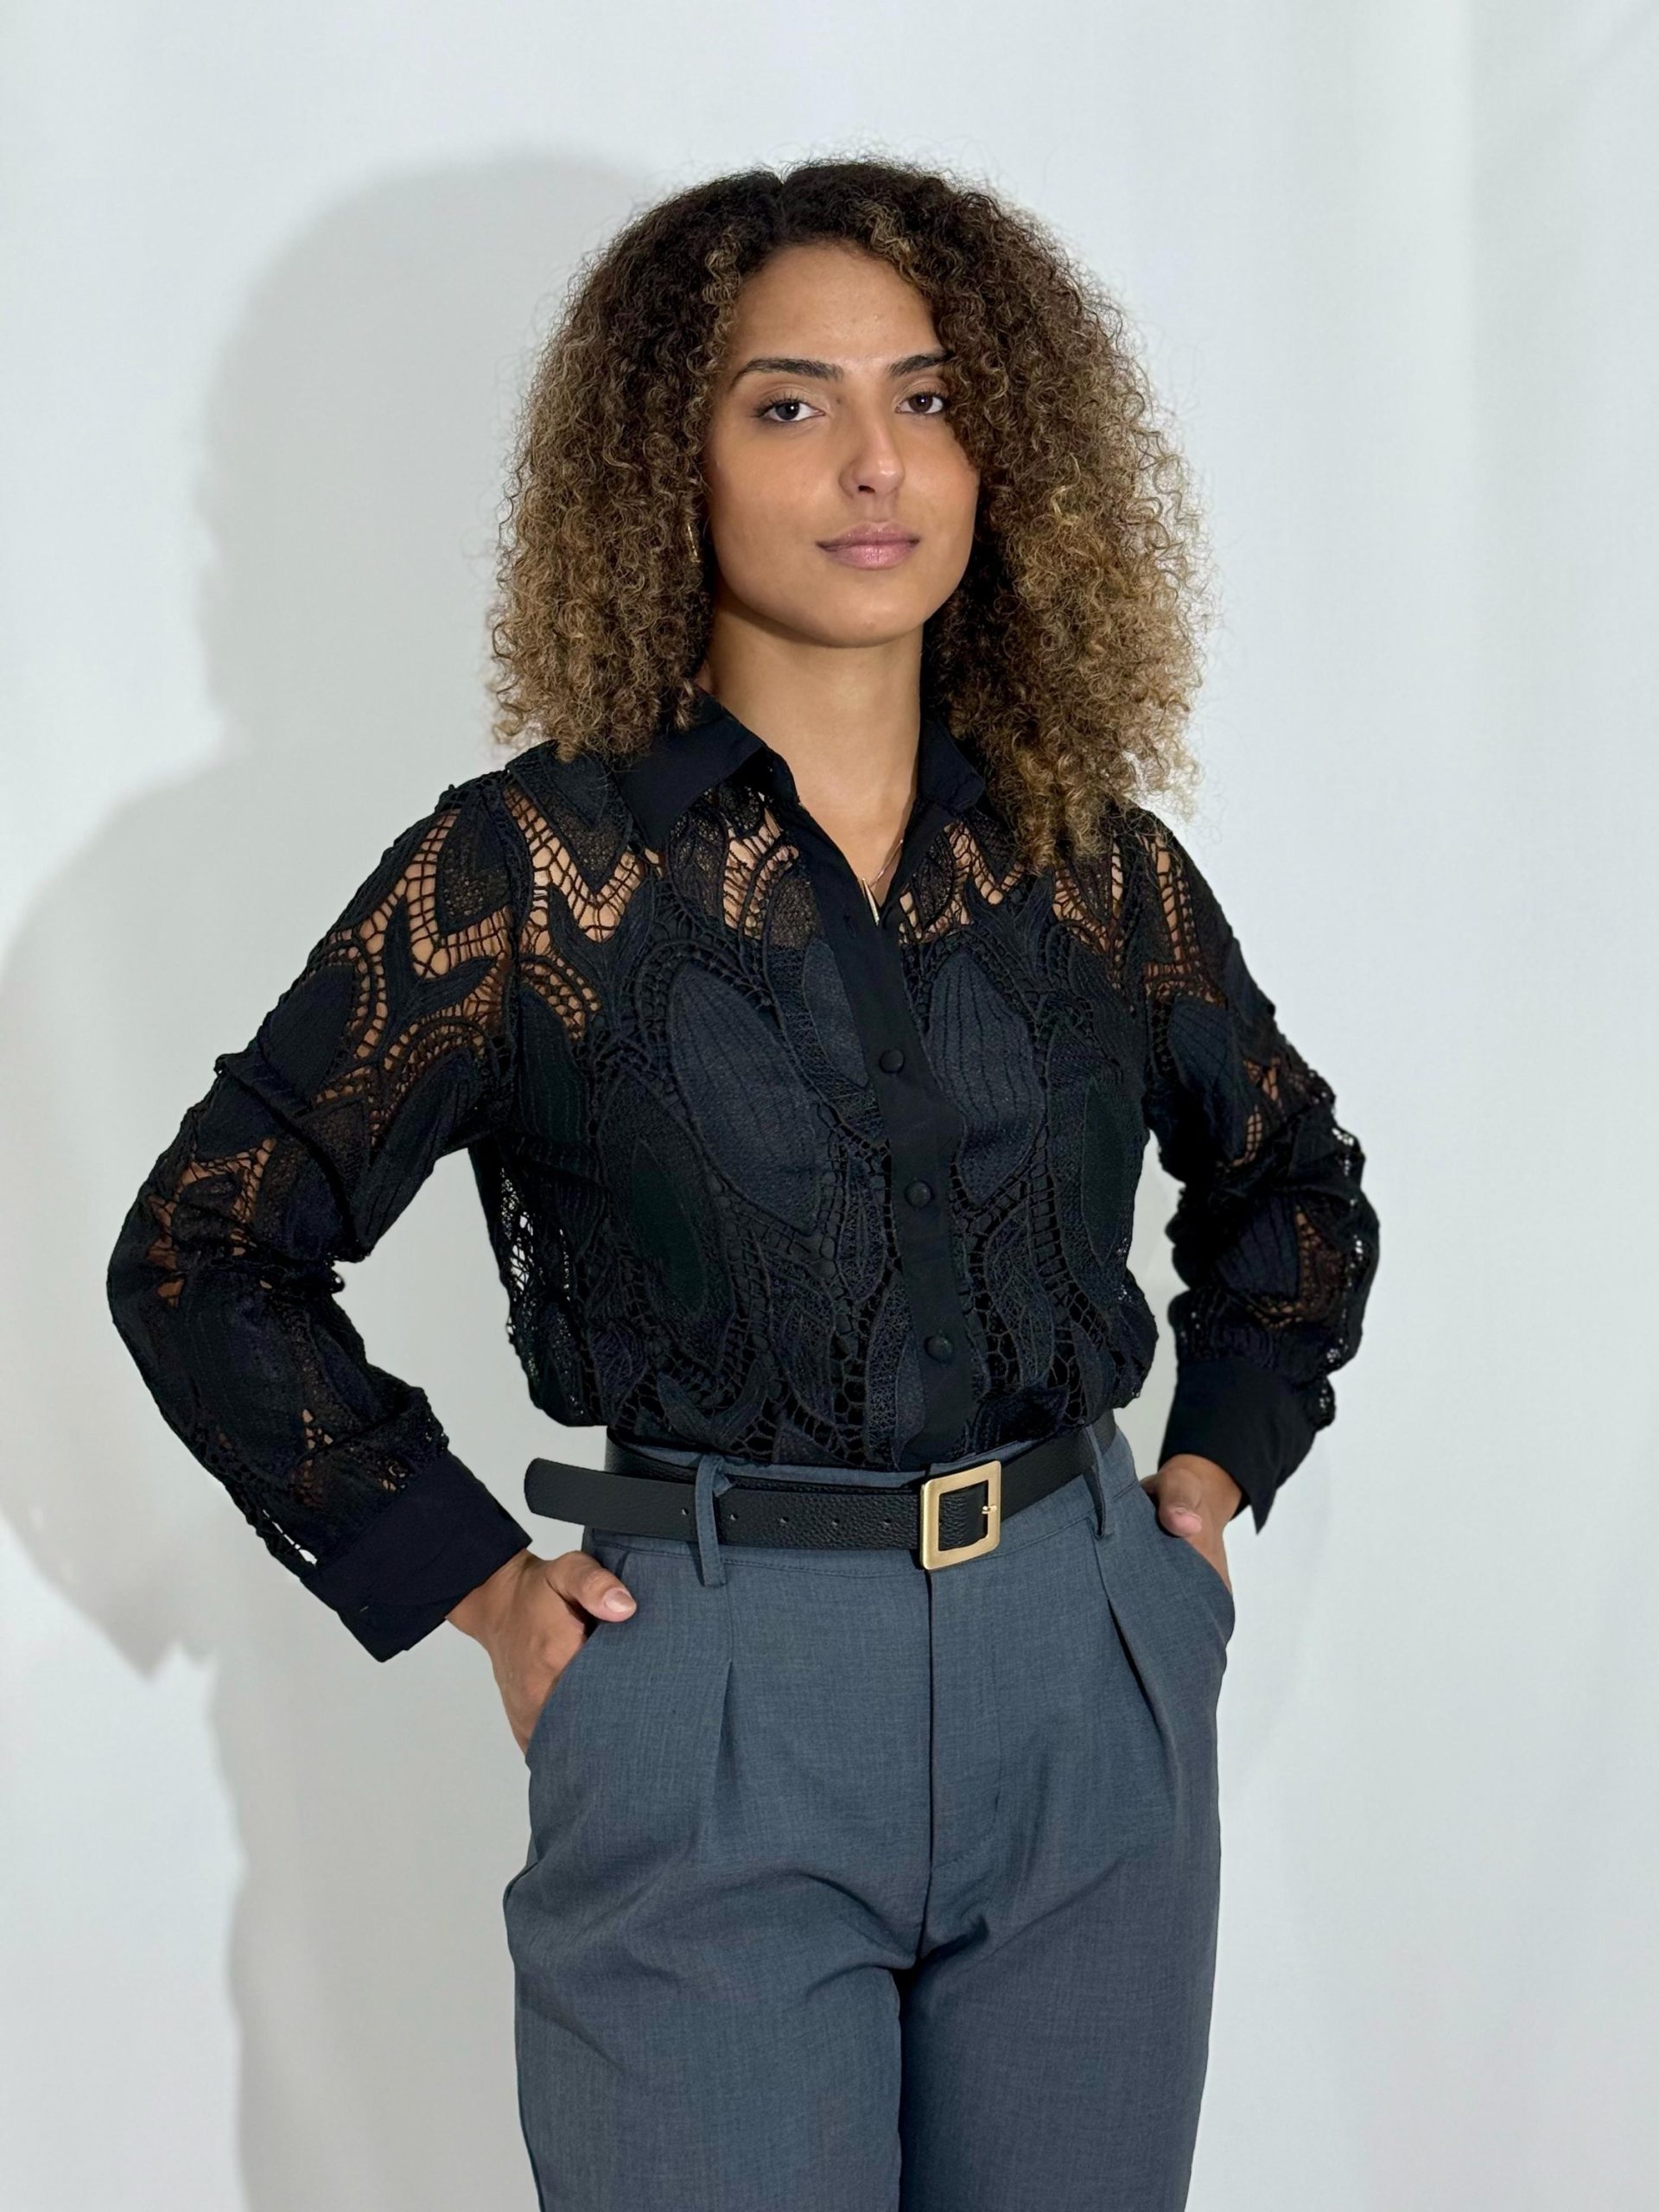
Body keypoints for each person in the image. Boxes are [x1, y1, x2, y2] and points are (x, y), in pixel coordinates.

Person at [106, 156, 1381, 2211]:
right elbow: (206, 1248)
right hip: (709, 1694)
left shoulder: (1093, 860)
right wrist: (473, 1582)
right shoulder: (528, 878)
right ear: (664, 463)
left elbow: (1292, 1188)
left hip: (1084, 1675)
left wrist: (1203, 1495)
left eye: (929, 397)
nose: (877, 463)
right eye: (791, 403)